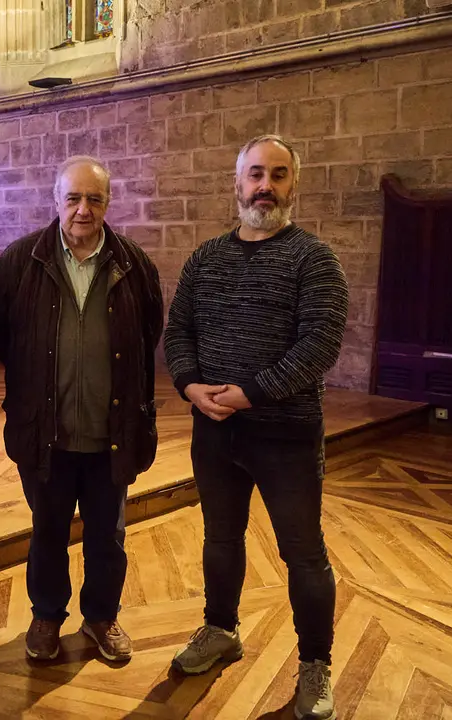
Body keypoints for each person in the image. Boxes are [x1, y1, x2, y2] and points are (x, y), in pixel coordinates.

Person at [163, 134, 348, 720]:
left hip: (286, 435)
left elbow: (319, 344)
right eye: (255, 174)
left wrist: (252, 393)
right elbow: (178, 330)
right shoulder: (206, 258)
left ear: (294, 184)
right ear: (237, 183)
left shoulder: (314, 259)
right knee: (220, 539)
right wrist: (190, 385)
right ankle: (220, 630)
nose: (265, 185)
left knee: (303, 553)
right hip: (215, 430)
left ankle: (315, 665)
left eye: (278, 175)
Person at [0, 156, 163, 664]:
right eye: (73, 198)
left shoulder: (135, 265)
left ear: (108, 203)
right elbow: (0, 333)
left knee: (108, 536)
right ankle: (46, 615)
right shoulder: (20, 262)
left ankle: (102, 617)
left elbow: (149, 331)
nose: (83, 209)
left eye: (94, 199)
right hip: (47, 431)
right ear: (56, 200)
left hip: (112, 432)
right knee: (48, 532)